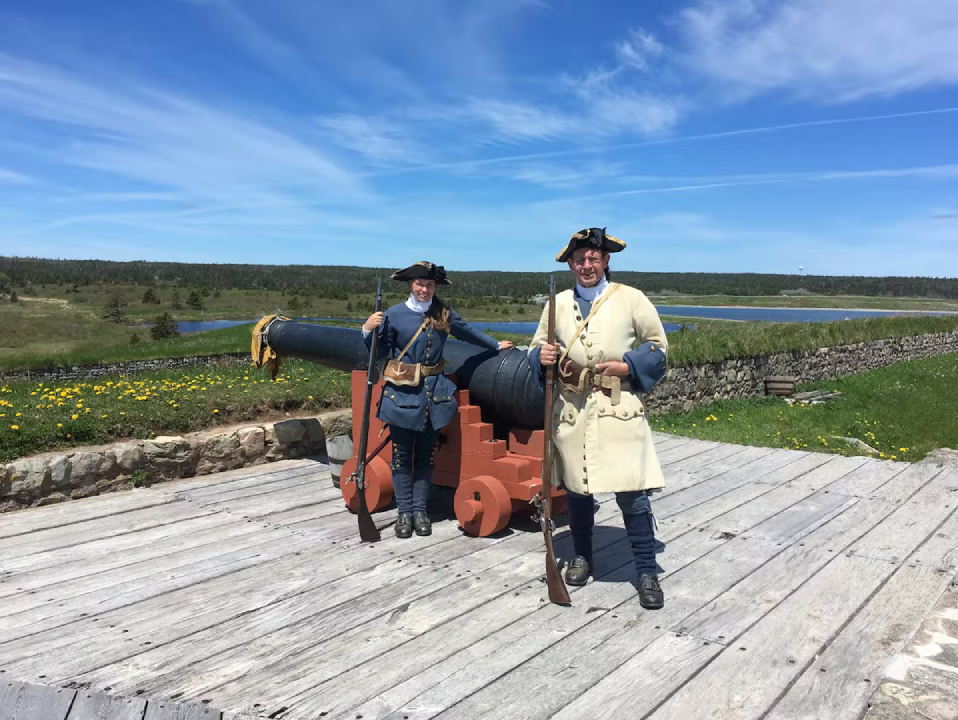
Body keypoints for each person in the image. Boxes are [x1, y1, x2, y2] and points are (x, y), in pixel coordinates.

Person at [529, 228, 669, 609]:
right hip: (572, 412)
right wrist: (538, 357)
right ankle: (582, 557)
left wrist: (627, 364)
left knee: (633, 494)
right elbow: (537, 349)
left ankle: (645, 570)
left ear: (605, 260)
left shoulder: (630, 299)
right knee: (577, 491)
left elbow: (658, 348)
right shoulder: (555, 305)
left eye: (593, 258)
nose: (586, 265)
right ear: (571, 264)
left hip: (618, 409)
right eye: (580, 260)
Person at [363, 262, 513, 538]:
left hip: (435, 396)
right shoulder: (393, 314)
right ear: (411, 285)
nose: (424, 289)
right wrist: (368, 329)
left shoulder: (443, 313)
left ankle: (420, 511)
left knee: (425, 456)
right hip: (402, 395)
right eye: (420, 284)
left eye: (429, 285)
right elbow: (379, 349)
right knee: (401, 457)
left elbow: (467, 332)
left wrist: (495, 345)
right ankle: (404, 514)